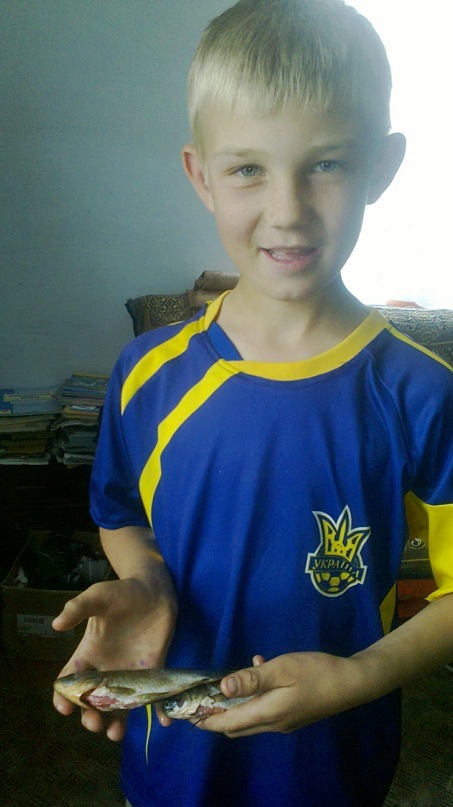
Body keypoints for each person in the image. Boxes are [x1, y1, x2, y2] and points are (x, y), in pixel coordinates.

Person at [52, 1, 453, 805]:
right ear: (201, 174)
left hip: (333, 768)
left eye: (326, 164)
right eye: (247, 170)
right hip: (170, 767)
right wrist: (147, 582)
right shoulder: (147, 374)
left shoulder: (421, 390)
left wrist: (360, 675)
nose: (287, 209)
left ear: (380, 166)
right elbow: (120, 513)